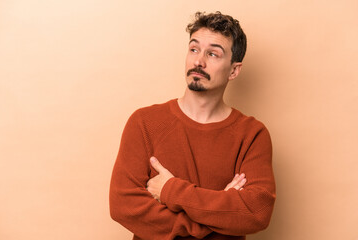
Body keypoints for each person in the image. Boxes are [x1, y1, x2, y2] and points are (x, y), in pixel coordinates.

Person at [109, 11, 276, 240]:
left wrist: (170, 190)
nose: (199, 61)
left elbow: (255, 212)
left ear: (234, 70)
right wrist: (209, 220)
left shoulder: (252, 135)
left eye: (213, 54)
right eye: (194, 49)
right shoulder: (144, 122)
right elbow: (123, 205)